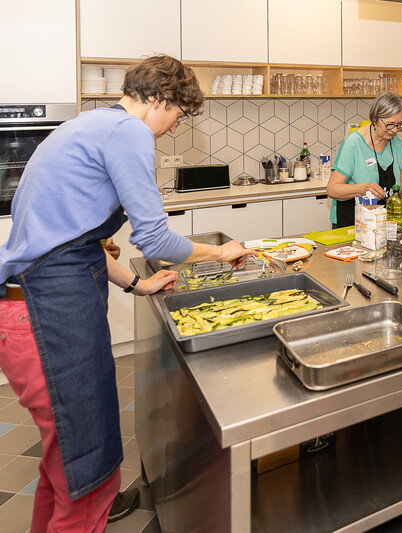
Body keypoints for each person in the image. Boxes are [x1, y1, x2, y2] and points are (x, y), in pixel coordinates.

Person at [0, 54, 254, 532]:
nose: (174, 128)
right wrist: (221, 253)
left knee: (64, 472)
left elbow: (76, 242)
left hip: (25, 307)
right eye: (177, 115)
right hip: (47, 316)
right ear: (159, 98)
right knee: (92, 476)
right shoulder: (130, 132)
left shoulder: (92, 123)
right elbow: (155, 239)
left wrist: (138, 283)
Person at [326, 91, 402, 228]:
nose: (395, 130)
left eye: (400, 124)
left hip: (383, 223)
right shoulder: (353, 144)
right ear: (375, 118)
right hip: (352, 223)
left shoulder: (398, 143)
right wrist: (363, 188)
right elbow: (332, 190)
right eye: (390, 124)